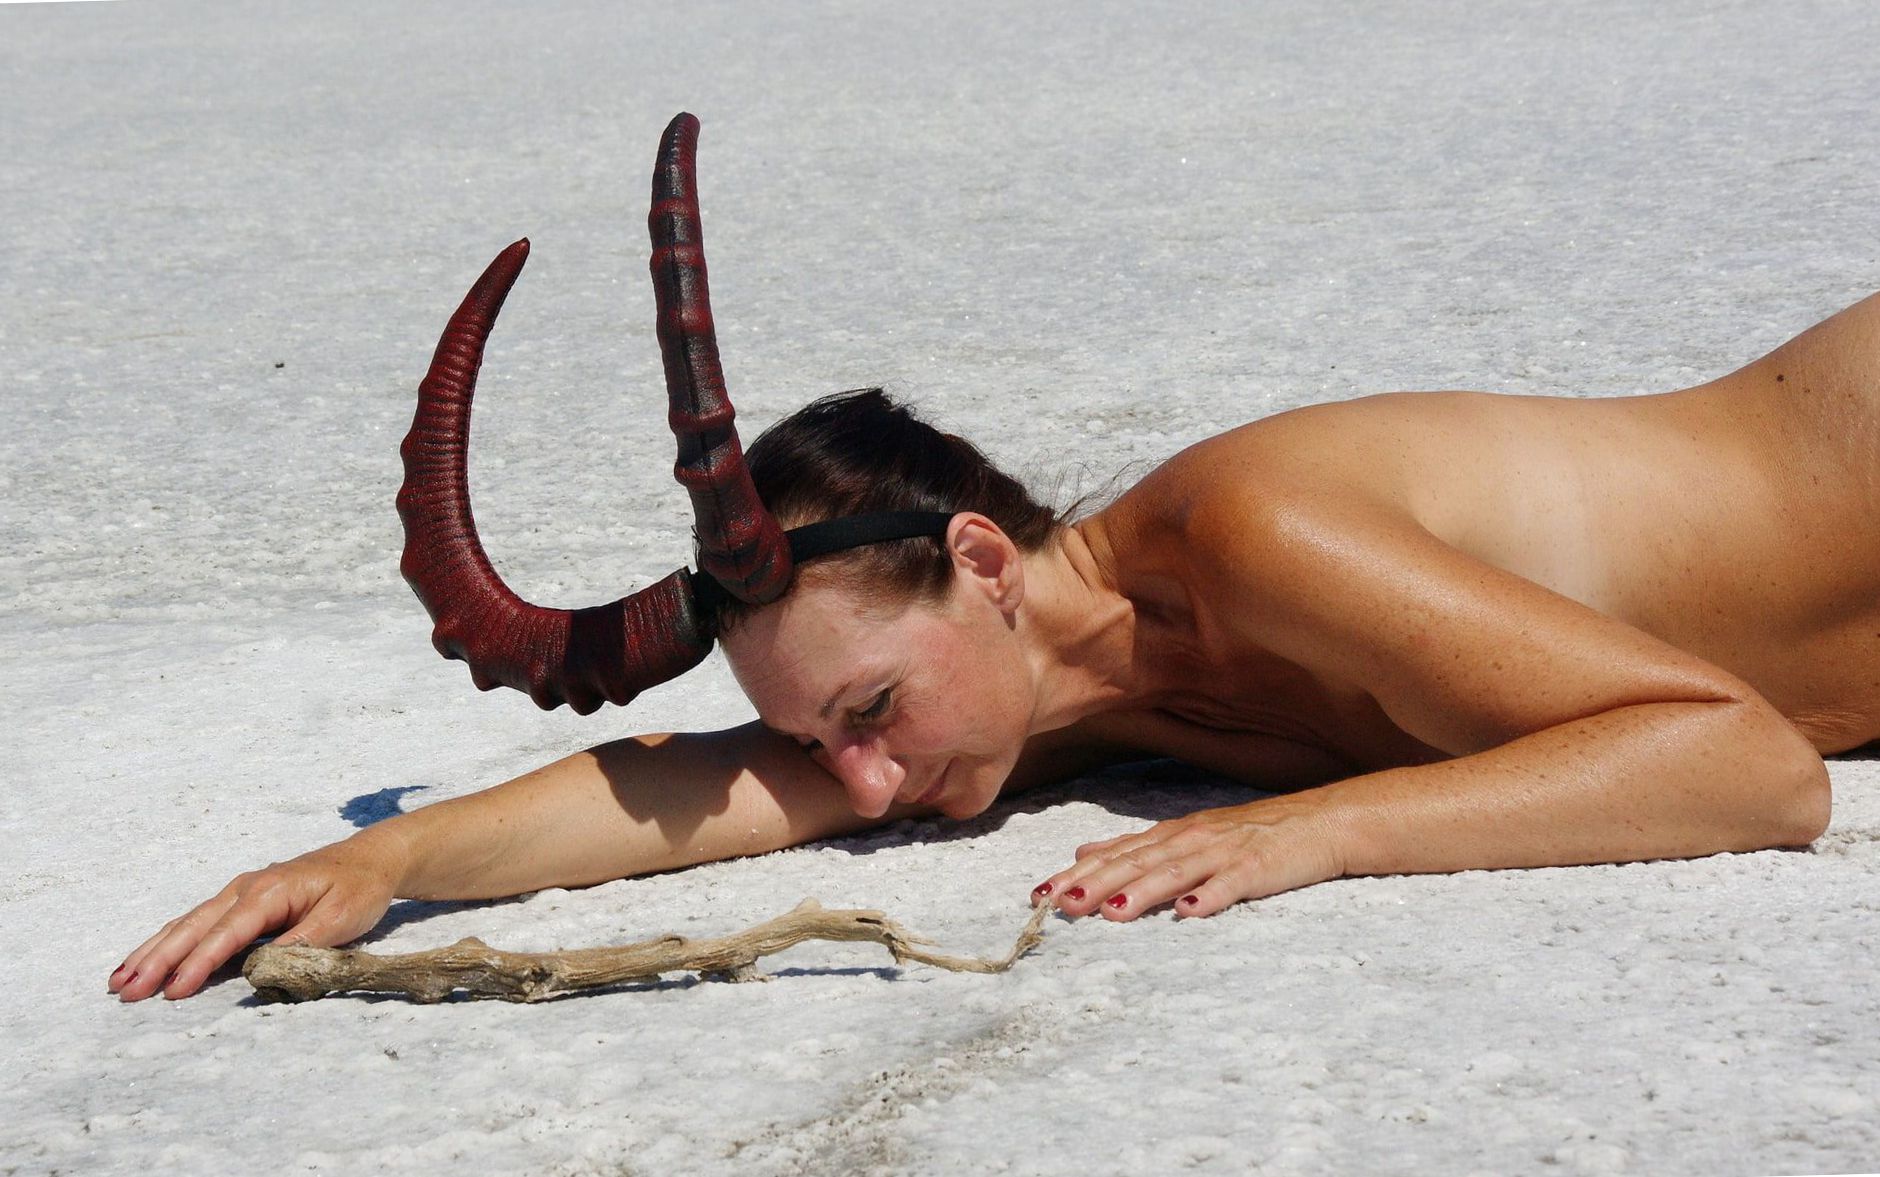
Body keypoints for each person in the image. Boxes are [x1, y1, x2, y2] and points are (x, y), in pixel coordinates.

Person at [111, 116, 1880, 1003]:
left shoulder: (1246, 537)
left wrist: (1313, 832)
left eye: (869, 710)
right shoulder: (1018, 713)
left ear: (980, 557)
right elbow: (684, 785)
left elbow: (1742, 760)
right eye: (828, 738)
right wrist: (385, 863)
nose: (865, 781)